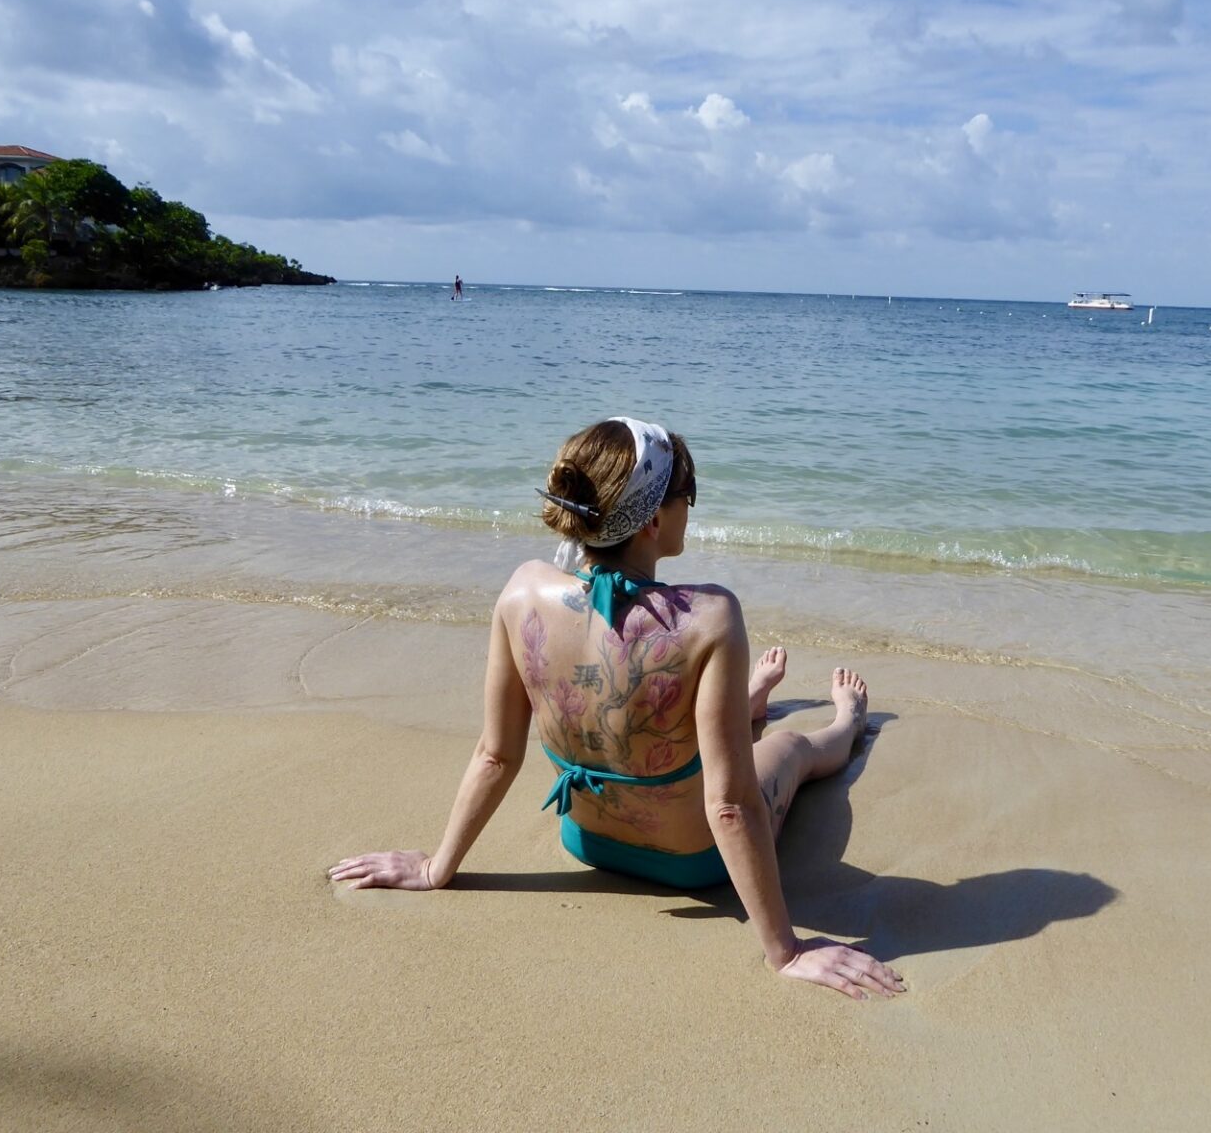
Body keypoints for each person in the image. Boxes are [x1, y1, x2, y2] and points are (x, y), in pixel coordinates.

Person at [329, 417, 905, 1000]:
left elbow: (495, 754)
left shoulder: (522, 591)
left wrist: (436, 869)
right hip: (693, 861)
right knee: (792, 751)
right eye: (687, 496)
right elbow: (729, 808)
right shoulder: (709, 619)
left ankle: (744, 704)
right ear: (654, 519)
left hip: (587, 843)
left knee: (704, 731)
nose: (690, 507)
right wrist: (786, 952)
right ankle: (845, 720)